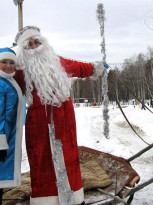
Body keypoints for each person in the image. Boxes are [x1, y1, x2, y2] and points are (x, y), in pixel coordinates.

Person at [14, 26, 108, 205]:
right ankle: (46, 200)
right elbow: (5, 78)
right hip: (38, 127)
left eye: (37, 42)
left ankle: (73, 198)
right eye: (29, 44)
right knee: (42, 164)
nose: (34, 47)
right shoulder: (20, 69)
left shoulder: (57, 61)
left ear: (43, 43)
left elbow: (79, 68)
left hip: (64, 122)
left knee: (69, 158)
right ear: (23, 49)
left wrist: (96, 68)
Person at [0, 48, 23, 205]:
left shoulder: (8, 80)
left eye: (11, 62)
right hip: (3, 138)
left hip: (7, 136)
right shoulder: (1, 83)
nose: (8, 66)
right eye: (4, 62)